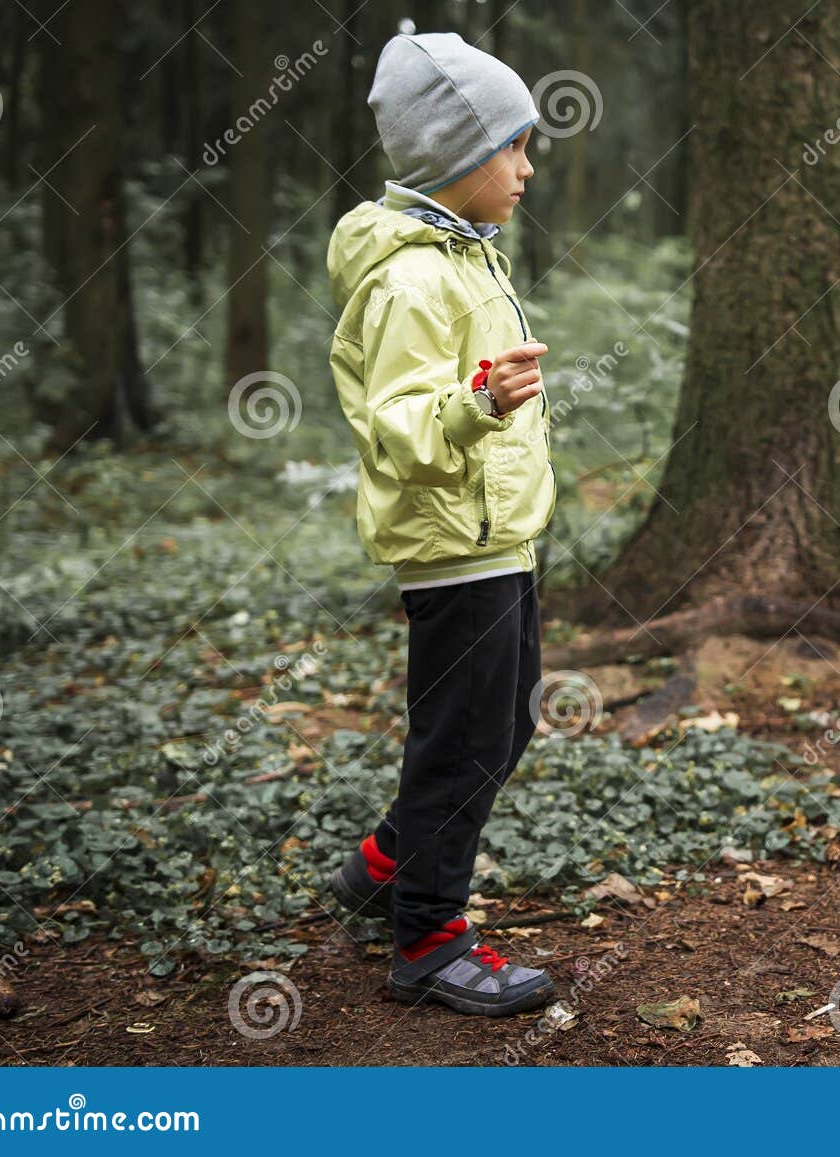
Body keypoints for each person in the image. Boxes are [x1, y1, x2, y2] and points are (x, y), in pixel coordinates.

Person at [324, 30, 557, 1017]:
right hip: (452, 549)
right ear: (460, 157)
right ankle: (426, 935)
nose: (527, 165)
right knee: (458, 743)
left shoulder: (464, 256)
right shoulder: (412, 280)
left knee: (501, 725)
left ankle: (383, 864)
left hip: (497, 540)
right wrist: (481, 404)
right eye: (514, 145)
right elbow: (400, 428)